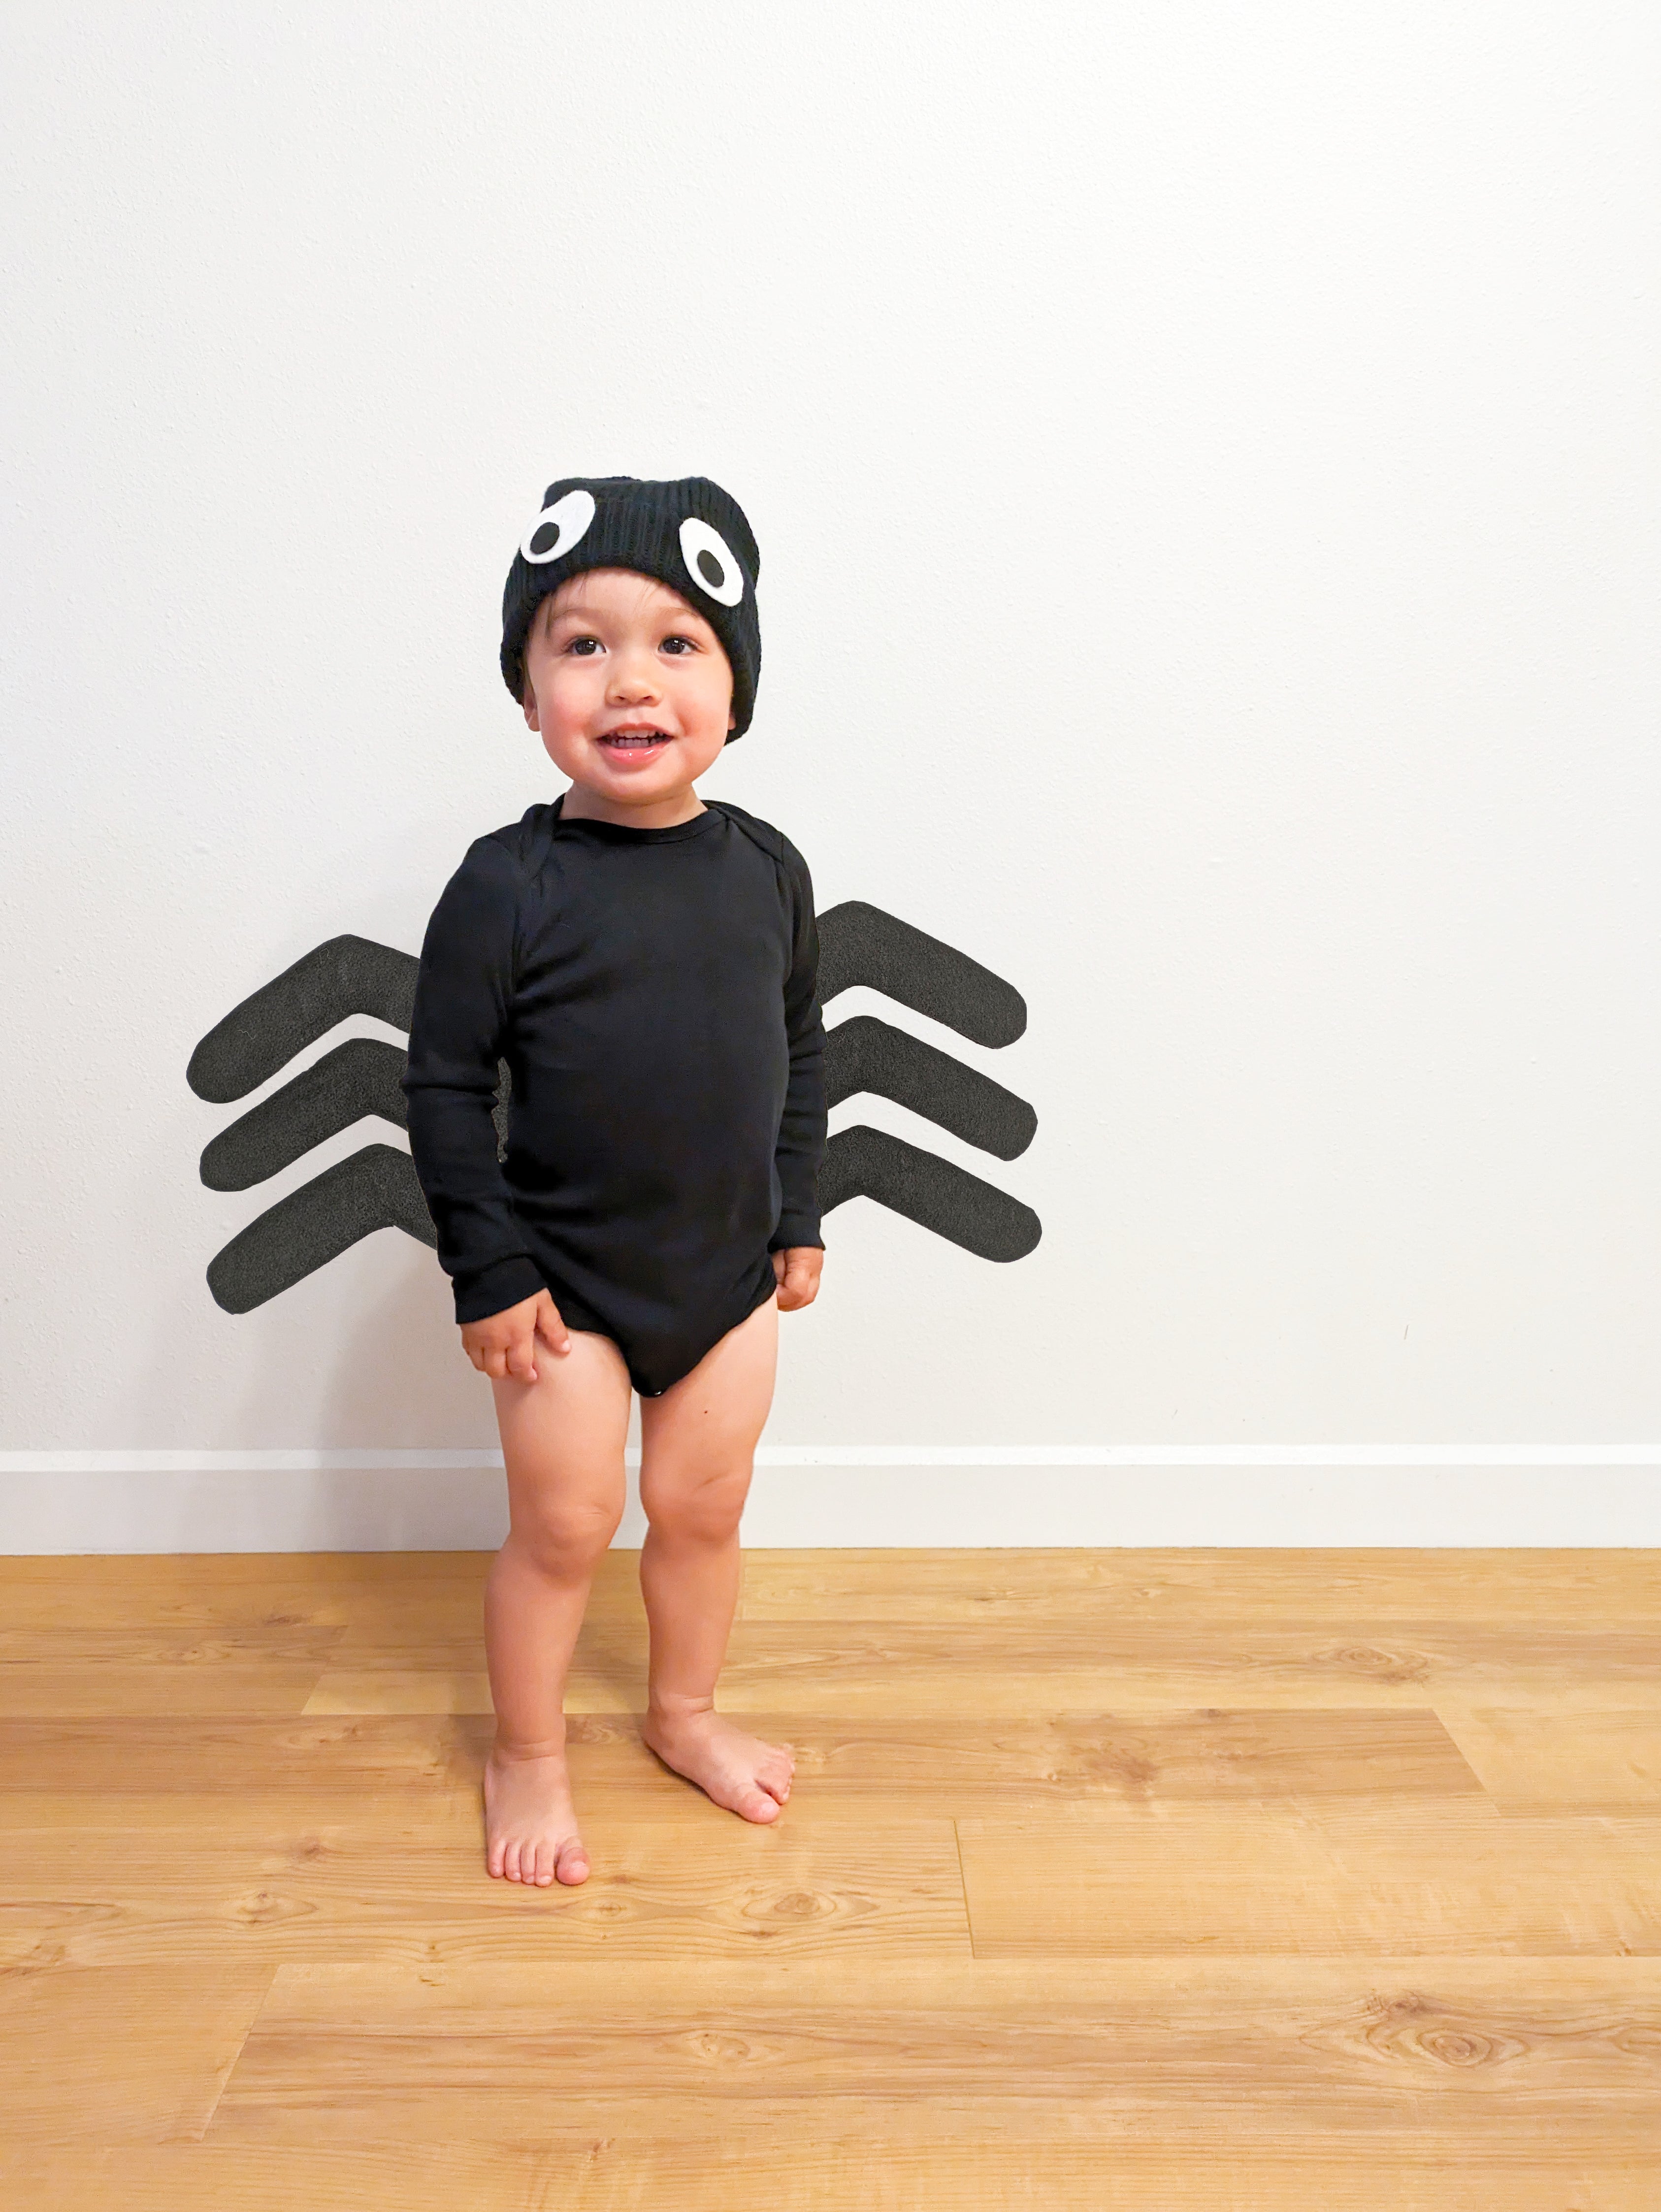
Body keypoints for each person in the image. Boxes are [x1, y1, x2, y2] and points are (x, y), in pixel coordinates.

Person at [401, 474, 826, 1888]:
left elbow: (799, 1049)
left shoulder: (768, 868)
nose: (629, 678)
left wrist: (799, 1208)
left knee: (706, 1511)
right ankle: (527, 1750)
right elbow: (448, 1089)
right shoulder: (505, 882)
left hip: (725, 1276)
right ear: (529, 691)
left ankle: (684, 1713)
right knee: (566, 1524)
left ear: (733, 688)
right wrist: (491, 1265)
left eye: (677, 642)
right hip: (563, 1289)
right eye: (581, 644)